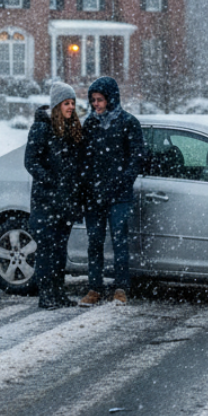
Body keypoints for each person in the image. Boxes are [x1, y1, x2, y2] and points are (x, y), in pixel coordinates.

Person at [79, 76, 145, 306]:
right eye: (93, 100)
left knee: (120, 241)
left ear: (111, 99)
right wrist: (88, 185)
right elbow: (83, 159)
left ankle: (121, 288)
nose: (96, 104)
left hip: (119, 195)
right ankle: (94, 288)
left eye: (100, 100)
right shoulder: (90, 124)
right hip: (94, 195)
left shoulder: (128, 123)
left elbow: (137, 157)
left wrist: (123, 180)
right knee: (94, 241)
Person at [24, 82, 84, 309]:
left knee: (60, 250)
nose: (70, 107)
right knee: (47, 251)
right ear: (57, 105)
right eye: (67, 103)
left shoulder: (71, 128)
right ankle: (46, 295)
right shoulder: (41, 128)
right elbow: (31, 162)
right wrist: (52, 181)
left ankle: (58, 293)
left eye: (72, 103)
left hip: (65, 202)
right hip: (46, 201)